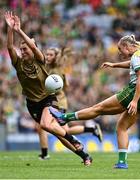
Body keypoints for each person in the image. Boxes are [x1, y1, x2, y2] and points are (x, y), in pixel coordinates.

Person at [50, 34, 140, 169]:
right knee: (121, 127)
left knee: (98, 108)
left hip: (135, 92)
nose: (119, 52)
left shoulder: (136, 56)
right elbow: (133, 65)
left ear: (127, 46)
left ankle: (64, 117)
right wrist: (114, 65)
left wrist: (134, 101)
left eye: (120, 49)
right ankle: (122, 163)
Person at [4, 11, 92, 166]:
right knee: (56, 132)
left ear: (33, 49)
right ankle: (84, 156)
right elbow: (10, 46)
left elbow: (31, 44)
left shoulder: (40, 60)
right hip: (32, 104)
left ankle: (73, 139)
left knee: (45, 125)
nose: (23, 51)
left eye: (26, 49)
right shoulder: (17, 64)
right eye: (22, 49)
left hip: (48, 99)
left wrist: (19, 30)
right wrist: (10, 29)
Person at [37, 47, 103, 159]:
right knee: (63, 130)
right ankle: (92, 129)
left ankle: (47, 153)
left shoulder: (55, 70)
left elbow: (58, 87)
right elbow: (66, 85)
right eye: (46, 54)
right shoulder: (52, 68)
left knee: (55, 130)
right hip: (58, 101)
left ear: (55, 57)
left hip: (58, 103)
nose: (47, 57)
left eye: (50, 55)